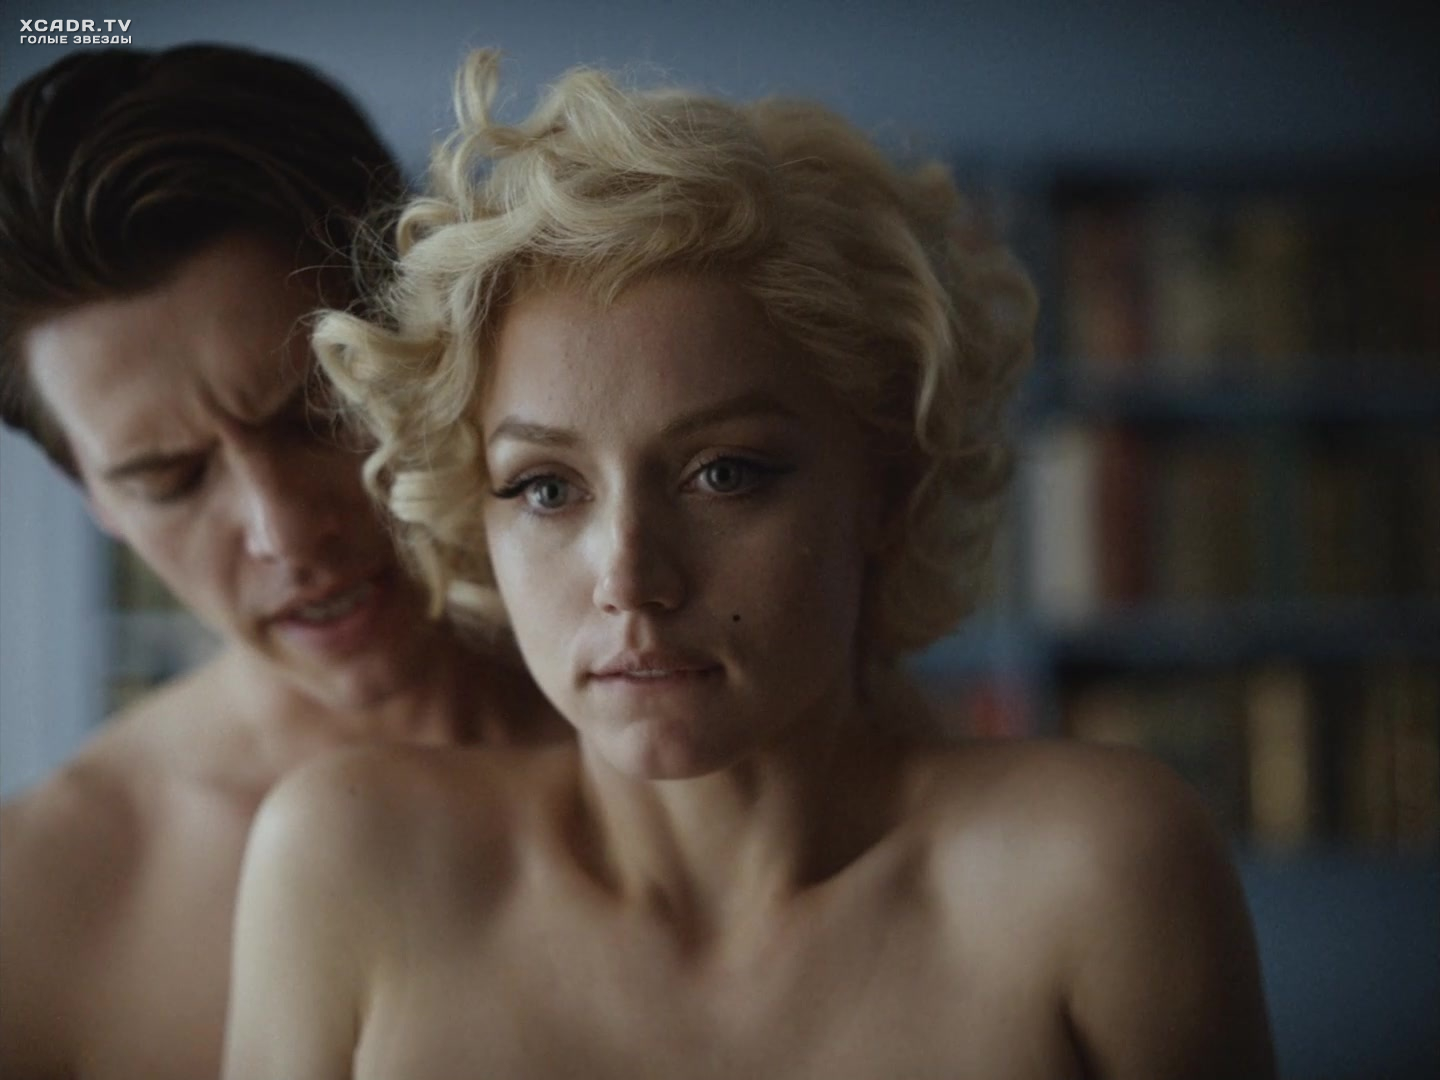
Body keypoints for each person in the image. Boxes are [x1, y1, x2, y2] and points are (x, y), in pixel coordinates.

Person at [222, 48, 1276, 1079]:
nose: (629, 579)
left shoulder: (1098, 874)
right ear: (471, 511)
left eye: (724, 473)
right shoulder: (347, 865)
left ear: (887, 488)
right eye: (546, 487)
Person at [0, 45, 562, 1080]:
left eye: (318, 414)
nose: (285, 532)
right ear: (94, 499)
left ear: (425, 346)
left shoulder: (725, 737)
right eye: (171, 479)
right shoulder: (39, 905)